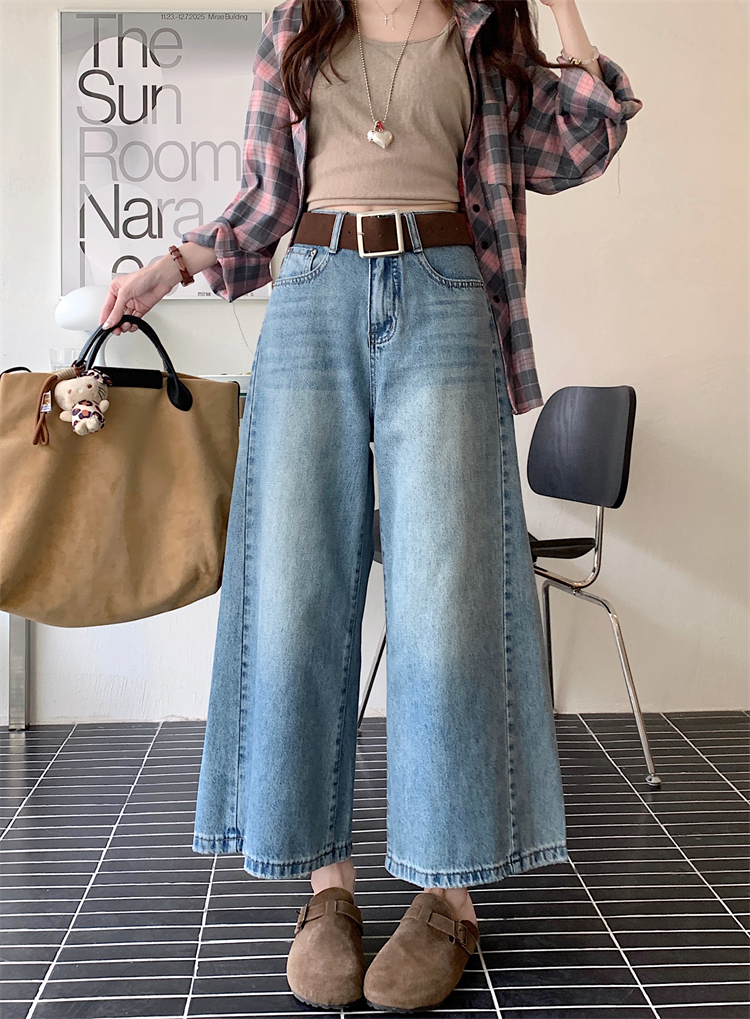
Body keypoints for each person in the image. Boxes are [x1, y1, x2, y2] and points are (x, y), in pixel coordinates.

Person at [99, 0, 642, 1010]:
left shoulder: (487, 29)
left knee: (447, 599)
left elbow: (579, 145)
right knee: (297, 592)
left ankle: (449, 895)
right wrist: (167, 268)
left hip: (444, 293)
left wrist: (565, 12)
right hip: (312, 291)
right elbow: (264, 199)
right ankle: (326, 889)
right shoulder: (301, 22)